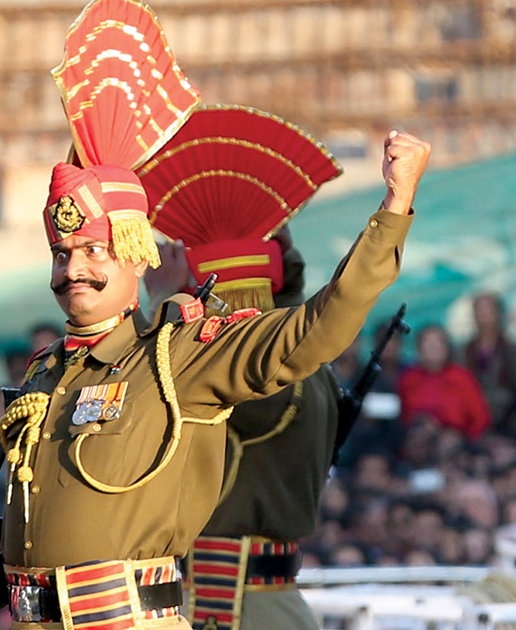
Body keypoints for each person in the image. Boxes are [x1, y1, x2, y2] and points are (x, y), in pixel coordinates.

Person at [0, 1, 428, 628]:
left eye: (94, 250)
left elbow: (316, 329)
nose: (73, 270)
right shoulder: (47, 372)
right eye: (61, 254)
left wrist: (394, 208)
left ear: (137, 253)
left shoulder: (181, 353)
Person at [140, 105, 344, 630]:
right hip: (255, 601)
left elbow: (150, 395)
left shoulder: (265, 360)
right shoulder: (303, 351)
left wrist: (161, 307)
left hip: (232, 605)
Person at [399, 325, 492, 440]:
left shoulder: (462, 377)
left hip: (458, 440)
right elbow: (403, 417)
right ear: (419, 349)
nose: (433, 347)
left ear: (447, 348)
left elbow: (480, 417)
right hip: (418, 440)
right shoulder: (408, 379)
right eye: (428, 343)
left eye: (438, 343)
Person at [460, 293, 516, 434]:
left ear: (499, 313)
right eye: (479, 310)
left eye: (488, 309)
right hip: (472, 419)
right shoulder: (463, 351)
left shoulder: (514, 350)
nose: (484, 315)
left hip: (510, 419)